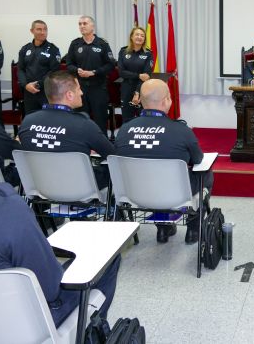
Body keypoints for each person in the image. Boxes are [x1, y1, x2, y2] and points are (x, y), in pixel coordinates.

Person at [0, 79, 120, 327]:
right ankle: (91, 330)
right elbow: (48, 287)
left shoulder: (28, 122)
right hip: (12, 320)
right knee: (110, 257)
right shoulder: (3, 209)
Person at [115, 79, 213, 244]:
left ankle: (163, 228)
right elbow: (198, 159)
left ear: (140, 101)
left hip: (135, 194)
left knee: (150, 178)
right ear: (166, 101)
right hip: (175, 194)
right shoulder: (181, 130)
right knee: (206, 173)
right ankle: (193, 229)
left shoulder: (124, 130)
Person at [18, 70, 114, 189]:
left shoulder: (27, 121)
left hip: (39, 186)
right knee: (112, 168)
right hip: (76, 188)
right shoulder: (84, 125)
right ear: (69, 95)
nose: (82, 93)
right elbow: (113, 155)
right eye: (78, 89)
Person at [65, 15, 115, 134]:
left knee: (100, 119)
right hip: (79, 89)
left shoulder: (102, 44)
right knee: (80, 119)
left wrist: (93, 73)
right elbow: (69, 64)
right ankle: (82, 145)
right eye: (80, 24)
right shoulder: (75, 44)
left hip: (98, 88)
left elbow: (110, 65)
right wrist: (77, 71)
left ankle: (100, 147)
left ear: (93, 26)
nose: (82, 26)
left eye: (85, 23)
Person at [17, 20, 62, 114]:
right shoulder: (25, 49)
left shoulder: (53, 49)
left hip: (46, 92)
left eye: (45, 29)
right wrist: (26, 85)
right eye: (39, 29)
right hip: (29, 91)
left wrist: (38, 84)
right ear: (32, 31)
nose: (43, 32)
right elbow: (20, 69)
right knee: (31, 121)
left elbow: (54, 72)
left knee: (48, 121)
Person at [117, 27, 154, 123]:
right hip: (126, 89)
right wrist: (138, 75)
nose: (139, 37)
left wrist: (137, 93)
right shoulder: (123, 51)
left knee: (144, 120)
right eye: (137, 34)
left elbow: (146, 76)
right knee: (127, 119)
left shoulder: (148, 54)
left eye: (142, 36)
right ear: (131, 37)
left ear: (144, 39)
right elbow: (121, 73)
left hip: (142, 89)